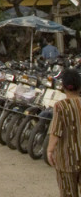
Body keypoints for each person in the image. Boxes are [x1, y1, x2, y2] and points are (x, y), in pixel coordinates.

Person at [48, 68, 81, 196]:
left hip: (67, 159)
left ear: (63, 87)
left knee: (68, 192)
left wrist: (50, 150)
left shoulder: (60, 106)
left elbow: (56, 131)